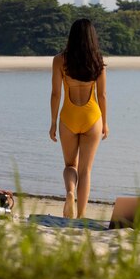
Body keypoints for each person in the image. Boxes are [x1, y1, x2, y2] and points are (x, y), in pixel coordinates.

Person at [49, 19, 109, 218]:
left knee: (70, 166)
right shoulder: (98, 61)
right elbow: (102, 96)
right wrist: (105, 123)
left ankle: (70, 193)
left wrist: (53, 122)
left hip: (68, 117)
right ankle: (82, 215)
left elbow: (56, 94)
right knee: (86, 170)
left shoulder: (60, 60)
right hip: (92, 117)